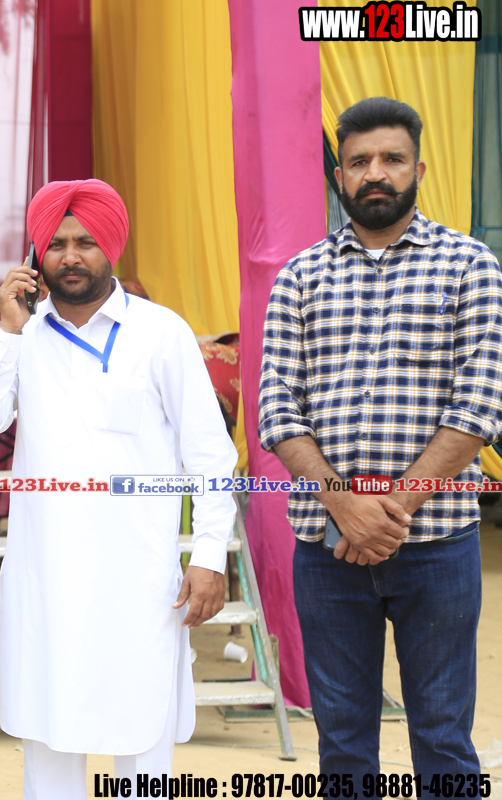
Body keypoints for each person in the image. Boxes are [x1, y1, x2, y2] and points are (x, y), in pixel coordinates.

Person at [0, 179, 237, 799]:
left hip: (140, 583)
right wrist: (6, 331)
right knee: (49, 741)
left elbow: (211, 455)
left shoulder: (161, 333)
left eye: (85, 242)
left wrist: (210, 555)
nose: (70, 256)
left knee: (142, 740)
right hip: (46, 584)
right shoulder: (23, 336)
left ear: (111, 246)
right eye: (55, 244)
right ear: (37, 255)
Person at [259, 97, 501, 781]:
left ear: (418, 170)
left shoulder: (469, 266)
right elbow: (277, 410)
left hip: (438, 545)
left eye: (392, 159)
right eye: (359, 161)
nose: (376, 173)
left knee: (443, 738)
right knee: (341, 744)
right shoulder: (300, 276)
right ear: (339, 175)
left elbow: (480, 405)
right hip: (327, 550)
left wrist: (389, 512)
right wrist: (345, 505)